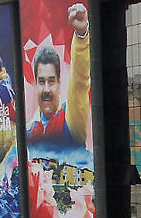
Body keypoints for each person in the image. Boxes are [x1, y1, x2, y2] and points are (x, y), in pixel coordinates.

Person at [26, 3, 91, 148]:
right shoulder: (29, 132)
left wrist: (82, 35)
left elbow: (80, 82)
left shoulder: (70, 120)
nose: (47, 89)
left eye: (51, 81)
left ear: (59, 83)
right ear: (35, 85)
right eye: (42, 82)